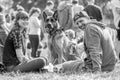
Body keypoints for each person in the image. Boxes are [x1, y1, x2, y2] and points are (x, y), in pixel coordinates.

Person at [51, 11, 118, 73]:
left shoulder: (90, 28)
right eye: (77, 23)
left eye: (81, 21)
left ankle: (47, 68)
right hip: (110, 65)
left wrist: (96, 70)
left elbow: (95, 51)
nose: (79, 25)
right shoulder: (98, 26)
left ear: (88, 18)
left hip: (100, 67)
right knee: (73, 62)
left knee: (64, 66)